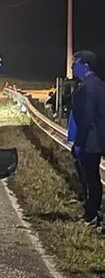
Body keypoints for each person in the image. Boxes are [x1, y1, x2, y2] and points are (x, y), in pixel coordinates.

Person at [69, 50, 105, 229]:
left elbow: (87, 117)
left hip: (91, 141)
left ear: (85, 65)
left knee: (91, 179)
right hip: (98, 139)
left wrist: (80, 143)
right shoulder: (99, 84)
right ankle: (92, 212)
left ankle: (91, 215)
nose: (72, 68)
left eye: (74, 65)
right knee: (92, 178)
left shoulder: (88, 88)